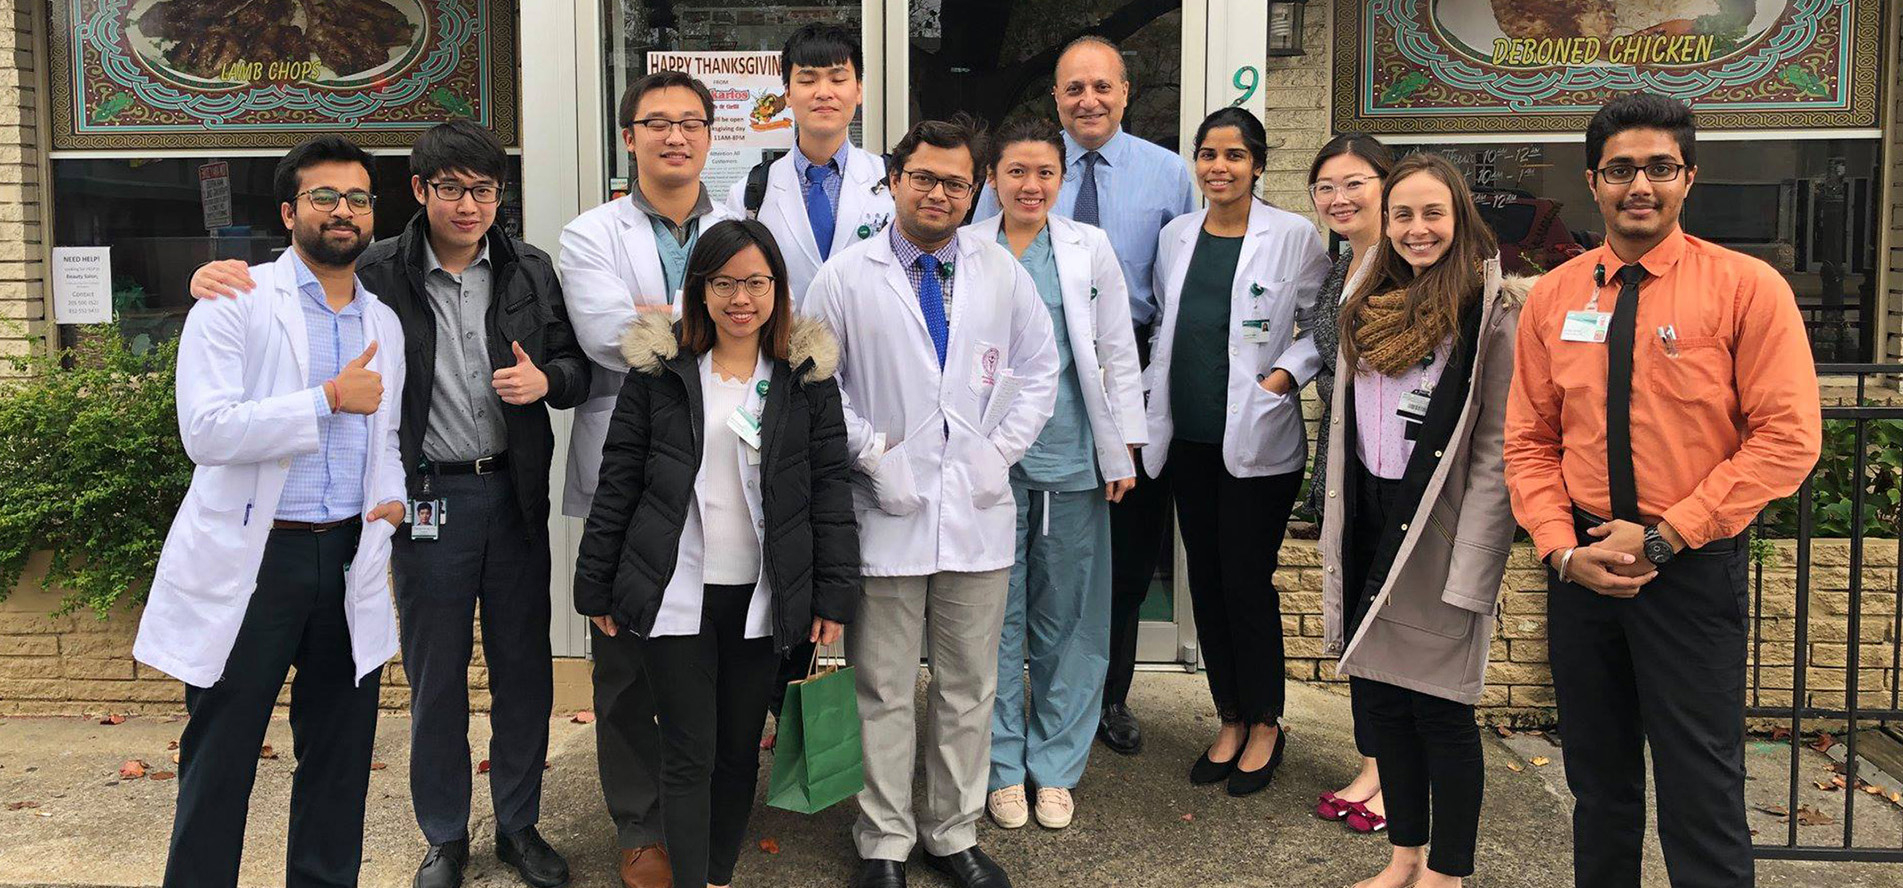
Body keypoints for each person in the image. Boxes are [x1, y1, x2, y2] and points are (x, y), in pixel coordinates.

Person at [189, 120, 592, 888]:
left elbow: (577, 368)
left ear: (499, 195)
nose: (468, 205)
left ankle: (518, 824)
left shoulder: (529, 269)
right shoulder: (376, 270)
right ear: (418, 191)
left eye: (483, 190)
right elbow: (298, 291)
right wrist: (209, 279)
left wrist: (548, 382)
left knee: (523, 669)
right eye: (450, 189)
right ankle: (444, 834)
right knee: (436, 676)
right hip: (426, 495)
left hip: (512, 494)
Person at [1503, 93, 1822, 888]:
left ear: (1688, 178)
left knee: (1700, 787)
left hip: (1689, 567)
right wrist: (1559, 550)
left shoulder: (1745, 288)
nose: (1638, 185)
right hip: (1581, 569)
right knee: (1597, 784)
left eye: (1658, 168)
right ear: (1592, 181)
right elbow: (1530, 442)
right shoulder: (1553, 297)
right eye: (1619, 169)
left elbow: (1787, 437)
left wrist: (1663, 536)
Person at [133, 135, 407, 888]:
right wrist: (327, 399)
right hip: (258, 562)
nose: (343, 211)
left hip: (347, 554)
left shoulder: (383, 322)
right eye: (325, 196)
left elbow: (384, 435)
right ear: (289, 212)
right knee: (221, 755)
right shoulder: (235, 300)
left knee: (340, 759)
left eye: (358, 198)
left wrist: (389, 504)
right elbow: (207, 432)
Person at [807, 115, 1059, 888]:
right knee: (881, 687)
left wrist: (995, 452)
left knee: (968, 687)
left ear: (975, 188)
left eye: (955, 182)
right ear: (893, 181)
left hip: (976, 513)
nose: (938, 193)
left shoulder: (1000, 272)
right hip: (884, 512)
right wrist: (871, 455)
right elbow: (815, 381)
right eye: (923, 177)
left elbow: (1034, 371)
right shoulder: (843, 277)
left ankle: (952, 833)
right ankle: (883, 839)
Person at [574, 219, 860, 888]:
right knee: (688, 751)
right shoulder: (661, 375)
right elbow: (619, 481)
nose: (741, 299)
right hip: (676, 592)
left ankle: (715, 875)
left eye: (756, 282)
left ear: (777, 289)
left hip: (762, 596)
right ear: (699, 290)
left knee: (736, 752)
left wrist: (832, 595)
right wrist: (596, 584)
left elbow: (829, 490)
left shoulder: (804, 379)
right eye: (725, 282)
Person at [975, 35, 1197, 756]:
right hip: (1004, 398)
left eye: (1102, 86)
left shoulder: (1168, 174)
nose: (1089, 99)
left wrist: (1127, 428)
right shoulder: (997, 210)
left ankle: (1106, 701)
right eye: (1074, 88)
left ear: (1126, 92)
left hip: (1121, 372)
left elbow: (1167, 291)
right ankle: (1003, 738)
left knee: (1108, 572)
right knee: (1004, 590)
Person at [1321, 153, 1524, 888]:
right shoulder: (1366, 296)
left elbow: (1498, 448)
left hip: (1437, 528)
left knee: (1440, 711)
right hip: (1371, 515)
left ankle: (1447, 872)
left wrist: (1475, 561)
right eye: (1402, 214)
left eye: (1432, 213)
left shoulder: (1490, 310)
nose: (1417, 229)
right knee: (1382, 701)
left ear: (1460, 217)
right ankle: (1403, 856)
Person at [558, 69, 740, 888]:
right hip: (630, 477)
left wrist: (658, 316)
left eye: (690, 122)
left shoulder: (739, 225)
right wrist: (707, 320)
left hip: (727, 472)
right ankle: (640, 825)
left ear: (709, 136)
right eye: (657, 122)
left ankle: (707, 811)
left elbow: (754, 324)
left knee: (719, 655)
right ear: (628, 137)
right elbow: (608, 335)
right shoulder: (589, 234)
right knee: (626, 660)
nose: (675, 136)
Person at [1141, 106, 1331, 796]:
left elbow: (1319, 326)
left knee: (1245, 583)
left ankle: (1266, 722)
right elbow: (1168, 326)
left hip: (1257, 444)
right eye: (1207, 154)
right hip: (1188, 438)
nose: (1218, 167)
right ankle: (1228, 716)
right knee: (1205, 582)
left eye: (1234, 155)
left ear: (1257, 165)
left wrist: (1281, 377)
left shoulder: (1293, 235)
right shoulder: (1175, 236)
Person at [964, 118, 1146, 832]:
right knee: (993, 619)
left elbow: (1115, 349)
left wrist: (1122, 445)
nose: (1030, 185)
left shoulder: (1087, 246)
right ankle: (1001, 766)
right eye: (1016, 171)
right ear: (992, 179)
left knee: (1068, 618)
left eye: (1045, 172)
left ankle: (1056, 765)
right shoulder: (967, 247)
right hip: (986, 459)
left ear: (1061, 179)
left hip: (1070, 453)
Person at [1301, 132, 1397, 831]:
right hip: (1347, 464)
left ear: (1387, 185)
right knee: (1361, 622)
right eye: (1326, 187)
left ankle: (1400, 776)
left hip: (1397, 473)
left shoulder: (1408, 265)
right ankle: (1373, 764)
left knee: (1393, 623)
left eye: (1354, 182)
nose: (1339, 198)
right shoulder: (1341, 266)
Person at [724, 21, 894, 307]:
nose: (823, 92)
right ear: (788, 94)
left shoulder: (892, 182)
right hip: (785, 336)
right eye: (807, 80)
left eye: (837, 79)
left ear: (859, 90)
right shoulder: (749, 194)